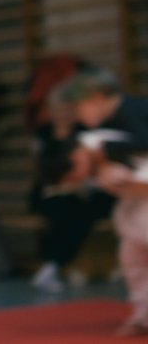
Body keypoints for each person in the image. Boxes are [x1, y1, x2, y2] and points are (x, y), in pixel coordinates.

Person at [62, 66, 148, 336]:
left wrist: (100, 152)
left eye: (78, 106)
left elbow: (143, 142)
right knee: (131, 254)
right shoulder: (107, 124)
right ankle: (144, 314)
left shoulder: (132, 110)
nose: (77, 114)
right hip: (134, 194)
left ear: (96, 98)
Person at [28, 84, 115, 294]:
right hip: (54, 191)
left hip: (86, 190)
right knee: (65, 208)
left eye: (68, 109)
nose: (63, 114)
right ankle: (56, 264)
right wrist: (62, 183)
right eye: (58, 110)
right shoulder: (43, 135)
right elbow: (43, 170)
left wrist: (84, 182)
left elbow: (98, 166)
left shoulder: (86, 132)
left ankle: (56, 264)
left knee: (80, 209)